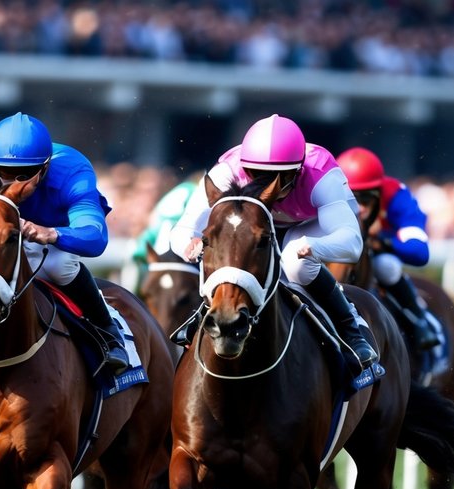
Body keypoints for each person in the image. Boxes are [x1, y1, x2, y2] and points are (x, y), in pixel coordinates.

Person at [168, 113, 377, 374]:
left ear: (297, 170)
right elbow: (183, 229)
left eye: (278, 176)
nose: (267, 185)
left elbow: (352, 242)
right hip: (256, 222)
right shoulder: (226, 171)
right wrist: (190, 244)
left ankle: (350, 326)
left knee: (295, 264)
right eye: (257, 174)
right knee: (226, 248)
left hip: (308, 224)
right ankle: (204, 315)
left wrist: (314, 247)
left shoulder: (322, 176)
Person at [0, 112, 128, 375]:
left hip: (53, 238)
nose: (11, 183)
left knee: (60, 264)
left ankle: (107, 331)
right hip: (4, 236)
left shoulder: (73, 171)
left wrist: (51, 234)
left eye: (24, 175)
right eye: (4, 173)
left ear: (45, 167)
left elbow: (95, 237)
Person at [337, 146, 439, 350]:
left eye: (365, 199)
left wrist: (383, 241)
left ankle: (418, 321)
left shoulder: (396, 196)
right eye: (351, 198)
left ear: (378, 193)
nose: (359, 207)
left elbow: (420, 252)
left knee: (387, 266)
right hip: (338, 251)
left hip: (377, 256)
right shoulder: (322, 193)